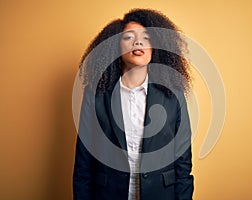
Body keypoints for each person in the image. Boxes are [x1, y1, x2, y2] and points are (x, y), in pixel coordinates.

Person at [73, 8, 194, 200]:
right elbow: (83, 164)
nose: (138, 42)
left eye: (146, 38)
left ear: (156, 48)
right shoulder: (95, 95)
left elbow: (183, 164)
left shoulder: (174, 95)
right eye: (129, 37)